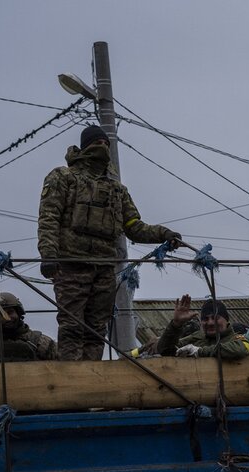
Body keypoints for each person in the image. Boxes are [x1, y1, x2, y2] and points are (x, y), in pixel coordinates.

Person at [37, 125, 184, 361]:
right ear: (85, 146)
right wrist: (48, 254)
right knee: (72, 326)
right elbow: (49, 217)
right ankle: (71, 378)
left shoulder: (116, 189)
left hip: (104, 268)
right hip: (71, 264)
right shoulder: (63, 177)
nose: (103, 147)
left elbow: (134, 226)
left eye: (106, 143)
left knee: (97, 329)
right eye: (97, 143)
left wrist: (163, 233)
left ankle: (91, 376)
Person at [157, 295, 249, 360]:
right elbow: (165, 351)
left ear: (227, 320)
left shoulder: (237, 339)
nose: (210, 323)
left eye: (215, 318)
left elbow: (240, 350)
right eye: (205, 319)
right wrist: (176, 324)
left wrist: (199, 351)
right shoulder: (196, 337)